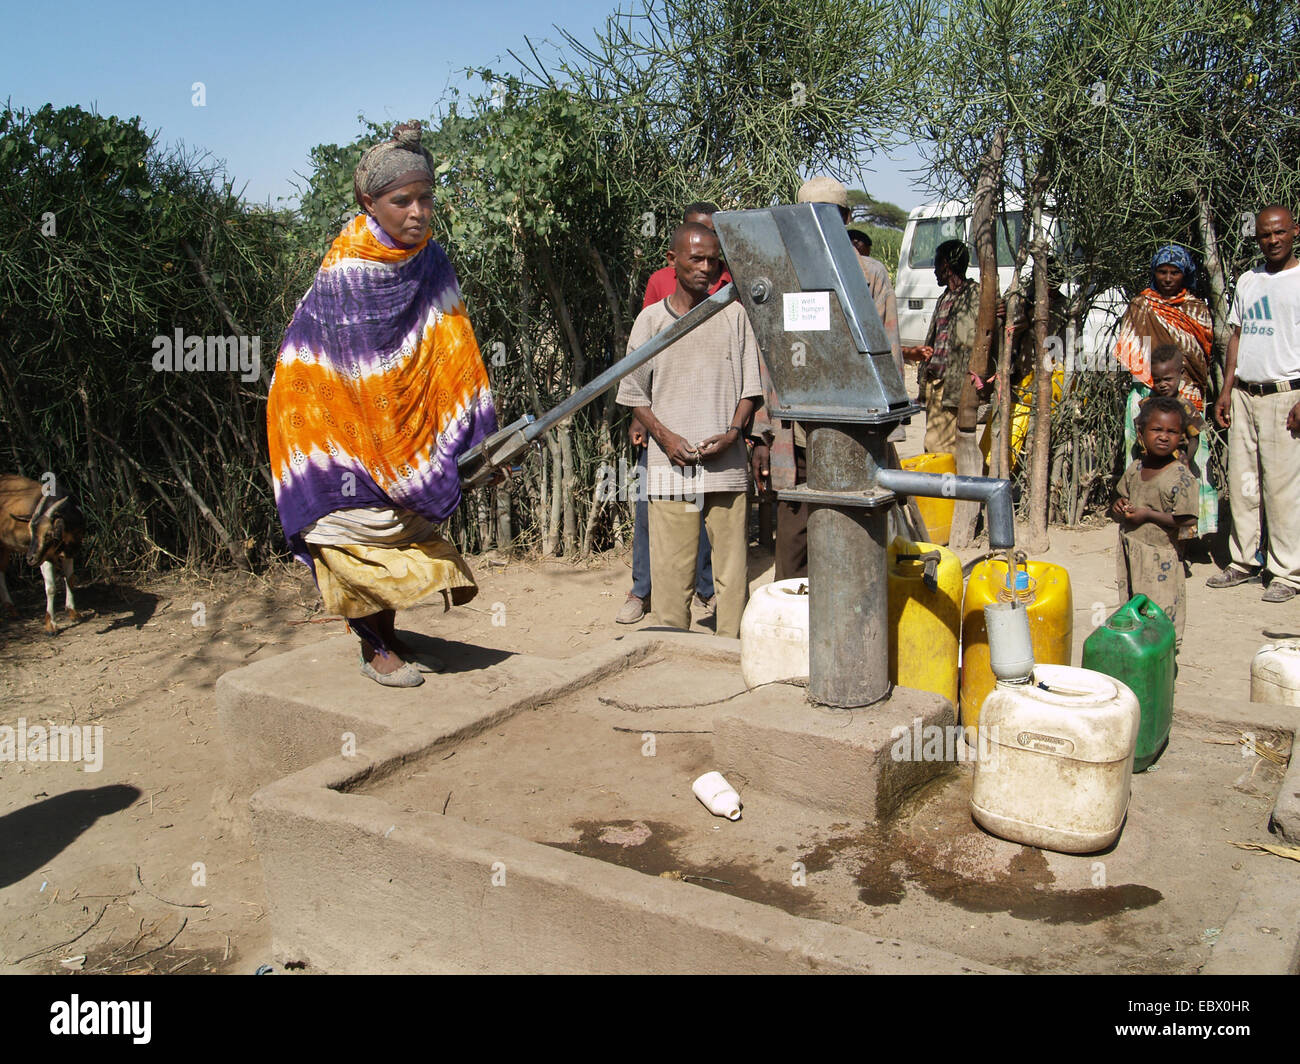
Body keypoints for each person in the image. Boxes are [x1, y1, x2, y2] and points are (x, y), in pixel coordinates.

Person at [267, 122, 498, 687]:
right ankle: (375, 650)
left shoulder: (430, 260)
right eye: (402, 201)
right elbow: (355, 368)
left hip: (399, 424)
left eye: (426, 199)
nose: (417, 211)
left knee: (399, 529)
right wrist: (385, 444)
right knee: (353, 533)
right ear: (369, 202)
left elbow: (450, 344)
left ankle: (391, 636)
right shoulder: (349, 269)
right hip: (329, 421)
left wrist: (471, 432)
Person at [750, 176, 902, 580]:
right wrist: (763, 431)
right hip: (796, 434)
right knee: (795, 542)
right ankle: (795, 631)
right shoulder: (780, 275)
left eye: (827, 217)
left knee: (856, 538)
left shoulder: (868, 274)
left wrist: (888, 425)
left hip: (854, 432)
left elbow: (887, 349)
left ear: (846, 220)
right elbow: (767, 355)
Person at [616, 222, 763, 638]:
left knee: (732, 575)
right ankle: (670, 659)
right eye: (696, 259)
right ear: (672, 261)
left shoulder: (734, 315)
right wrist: (664, 437)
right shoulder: (650, 321)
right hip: (670, 467)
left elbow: (751, 388)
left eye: (713, 261)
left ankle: (732, 652)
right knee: (670, 575)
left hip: (727, 466)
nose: (705, 268)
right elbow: (632, 393)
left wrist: (734, 433)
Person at [1207, 204, 1300, 603]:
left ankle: (1287, 571)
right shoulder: (1248, 280)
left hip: (1286, 395)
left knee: (1282, 489)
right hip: (1245, 393)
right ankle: (1243, 561)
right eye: (1265, 234)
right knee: (1244, 483)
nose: (1273, 240)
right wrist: (1227, 390)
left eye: (1279, 232)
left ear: (1295, 230)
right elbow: (1236, 339)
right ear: (1257, 237)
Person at [1112, 244, 1217, 537]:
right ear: (1153, 273)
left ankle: (1188, 529)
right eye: (1162, 272)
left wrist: (1178, 387)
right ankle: (1140, 520)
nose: (1168, 278)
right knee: (1143, 458)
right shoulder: (1140, 305)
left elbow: (1200, 356)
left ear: (1185, 274)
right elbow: (1132, 350)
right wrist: (1151, 389)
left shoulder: (1196, 308)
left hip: (1187, 395)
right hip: (1146, 394)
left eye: (1175, 272)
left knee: (1189, 461)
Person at [1112, 396, 1199, 646]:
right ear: (1141, 433)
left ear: (1181, 436)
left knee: (1159, 614)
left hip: (1161, 560)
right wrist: (1118, 506)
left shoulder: (1180, 476)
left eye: (1172, 432)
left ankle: (1162, 659)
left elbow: (1188, 518)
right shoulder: (1136, 468)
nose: (1163, 436)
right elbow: (1121, 497)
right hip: (1131, 550)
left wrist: (1148, 515)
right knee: (1133, 607)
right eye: (1157, 430)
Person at [901, 239, 982, 455]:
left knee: (940, 448)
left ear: (946, 265)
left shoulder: (975, 295)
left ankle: (941, 488)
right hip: (937, 384)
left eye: (937, 264)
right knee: (939, 445)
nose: (935, 271)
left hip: (954, 384)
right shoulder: (944, 298)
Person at [1123, 345, 1212, 541]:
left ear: (1181, 374)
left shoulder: (1186, 407)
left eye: (1168, 379)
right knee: (1151, 505)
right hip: (1150, 468)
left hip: (1177, 467)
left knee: (1177, 512)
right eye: (1158, 380)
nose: (1163, 384)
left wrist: (1184, 461)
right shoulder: (1146, 406)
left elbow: (1194, 439)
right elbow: (1140, 436)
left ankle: (1180, 553)